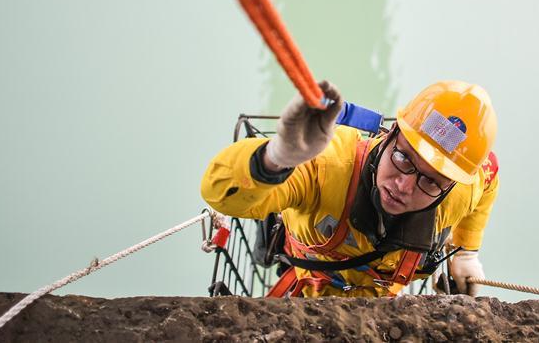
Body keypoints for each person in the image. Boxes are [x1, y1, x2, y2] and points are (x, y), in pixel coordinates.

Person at [201, 80, 499, 297]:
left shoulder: (460, 192)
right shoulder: (325, 167)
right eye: (402, 157)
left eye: (431, 180)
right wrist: (275, 158)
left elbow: (489, 176)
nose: (404, 186)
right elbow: (218, 194)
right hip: (308, 292)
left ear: (450, 186)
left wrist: (467, 252)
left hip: (381, 304)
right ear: (390, 134)